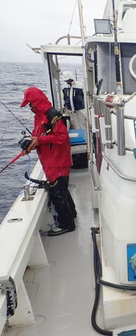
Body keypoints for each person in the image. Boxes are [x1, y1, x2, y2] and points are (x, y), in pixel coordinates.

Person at [21, 87, 77, 236]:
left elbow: (62, 137)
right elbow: (37, 135)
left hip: (58, 160)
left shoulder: (52, 115)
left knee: (58, 193)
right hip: (49, 160)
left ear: (36, 102)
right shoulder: (39, 116)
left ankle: (67, 225)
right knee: (62, 191)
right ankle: (72, 215)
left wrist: (39, 140)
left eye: (30, 104)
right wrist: (31, 145)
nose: (30, 107)